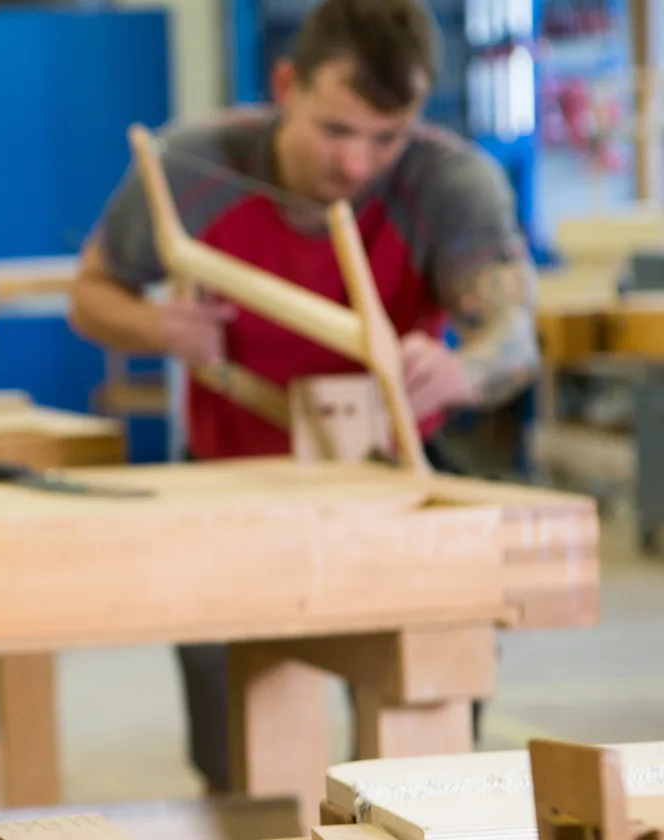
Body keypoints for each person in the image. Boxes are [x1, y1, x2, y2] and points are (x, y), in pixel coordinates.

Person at [66, 0, 539, 794]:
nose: (358, 164)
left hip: (390, 479)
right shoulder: (194, 163)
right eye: (336, 130)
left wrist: (463, 370)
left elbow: (514, 336)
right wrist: (157, 326)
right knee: (241, 778)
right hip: (232, 479)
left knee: (430, 761)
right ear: (287, 85)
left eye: (386, 137)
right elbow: (90, 294)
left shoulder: (449, 180)